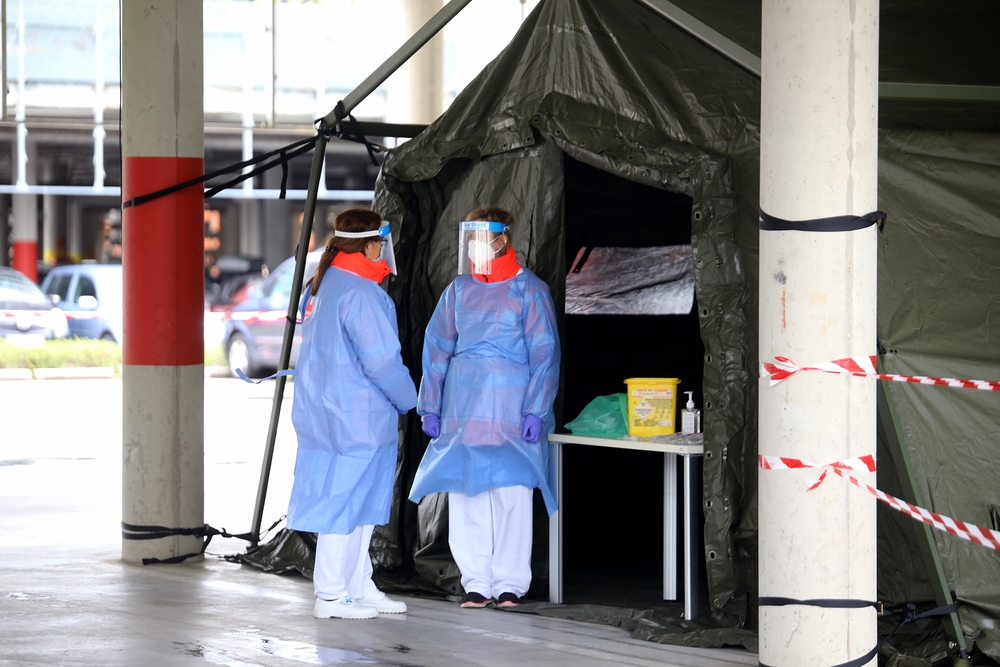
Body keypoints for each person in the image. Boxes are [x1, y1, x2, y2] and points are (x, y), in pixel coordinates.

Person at [409, 205, 560, 609]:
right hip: (465, 412)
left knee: (512, 496)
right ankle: (476, 582)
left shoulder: (530, 289)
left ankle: (510, 584)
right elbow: (436, 349)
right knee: (467, 496)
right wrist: (431, 406)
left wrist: (536, 410)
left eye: (480, 239)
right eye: (470, 239)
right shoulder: (458, 290)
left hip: (512, 413)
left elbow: (545, 353)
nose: (474, 247)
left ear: (501, 239)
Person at [288, 207, 417, 620]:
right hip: (358, 416)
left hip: (325, 412)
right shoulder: (362, 293)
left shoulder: (324, 285)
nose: (384, 251)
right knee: (343, 505)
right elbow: (381, 362)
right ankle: (330, 595)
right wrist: (412, 400)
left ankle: (358, 585)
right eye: (381, 243)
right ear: (371, 243)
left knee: (355, 502)